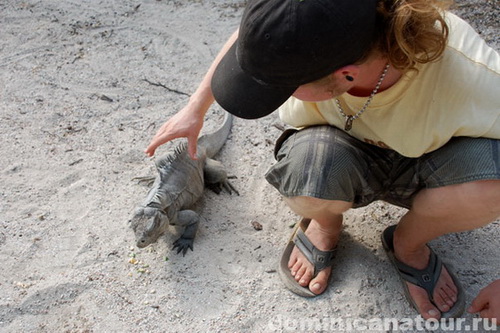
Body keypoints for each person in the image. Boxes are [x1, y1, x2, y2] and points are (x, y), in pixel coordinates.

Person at [145, 0, 500, 322]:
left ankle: (408, 243)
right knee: (305, 176)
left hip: (431, 163)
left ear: (346, 74)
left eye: (281, 86)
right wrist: (195, 109)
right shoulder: (315, 23)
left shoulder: (471, 75)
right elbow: (257, 36)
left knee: (491, 188)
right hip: (338, 148)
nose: (271, 94)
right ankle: (325, 225)